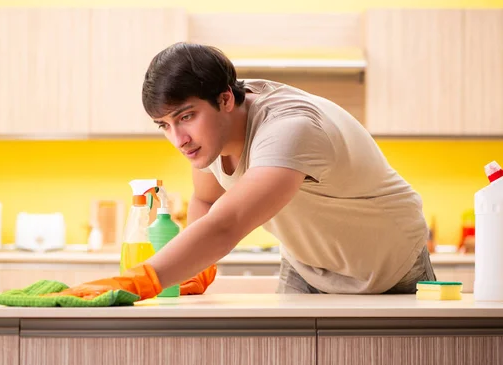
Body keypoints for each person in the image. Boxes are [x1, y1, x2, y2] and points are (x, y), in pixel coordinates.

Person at [49, 42, 436, 300]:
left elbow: (227, 224)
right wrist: (197, 269)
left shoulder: (289, 128)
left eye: (186, 117)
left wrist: (138, 281)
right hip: (310, 268)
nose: (178, 138)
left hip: (391, 268)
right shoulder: (209, 140)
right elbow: (206, 198)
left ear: (226, 98)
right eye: (164, 125)